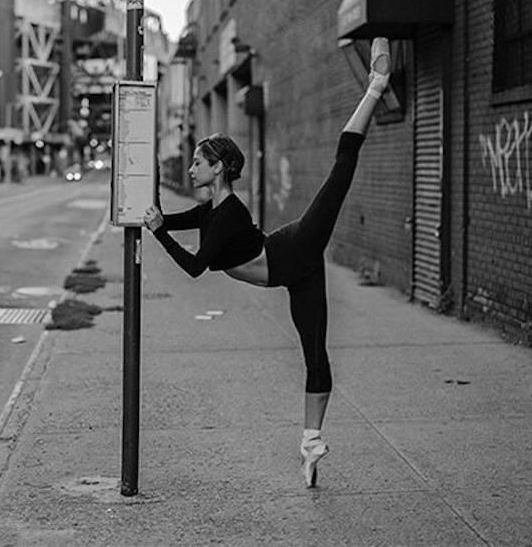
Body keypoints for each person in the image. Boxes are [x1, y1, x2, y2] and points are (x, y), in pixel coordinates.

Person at [143, 37, 391, 488]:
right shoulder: (210, 211)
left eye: (198, 163)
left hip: (293, 249)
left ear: (218, 168)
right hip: (294, 274)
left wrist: (158, 231)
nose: (193, 169)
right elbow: (169, 217)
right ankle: (311, 443)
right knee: (314, 354)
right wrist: (152, 204)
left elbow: (196, 266)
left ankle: (376, 86)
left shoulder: (229, 213)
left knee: (341, 168)